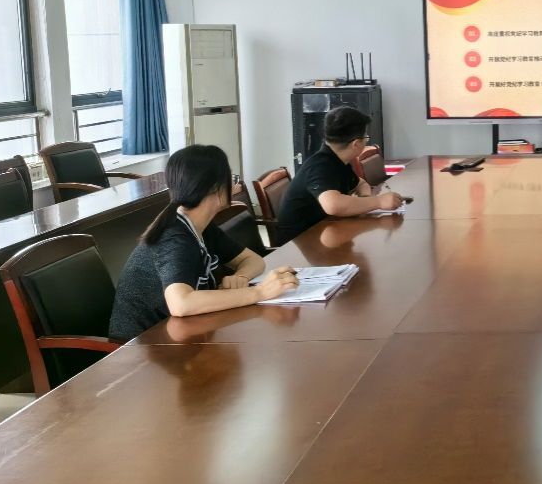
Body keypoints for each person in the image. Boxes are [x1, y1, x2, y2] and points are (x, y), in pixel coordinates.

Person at [109, 145, 298, 340]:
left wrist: (240, 276)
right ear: (215, 188)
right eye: (231, 179)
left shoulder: (202, 226)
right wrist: (260, 292)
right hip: (142, 346)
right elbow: (180, 304)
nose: (234, 185)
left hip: (180, 333)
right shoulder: (174, 237)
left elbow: (253, 260)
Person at [277, 105, 401, 240]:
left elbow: (361, 184)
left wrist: (365, 200)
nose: (367, 141)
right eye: (366, 137)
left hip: (326, 232)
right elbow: (333, 205)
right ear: (356, 144)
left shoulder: (337, 160)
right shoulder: (320, 166)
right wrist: (378, 202)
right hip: (299, 242)